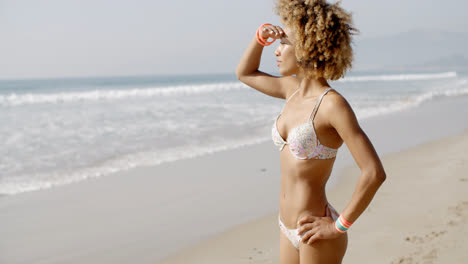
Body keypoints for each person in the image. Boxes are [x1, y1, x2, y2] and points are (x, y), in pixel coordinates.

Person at [235, 0, 386, 263]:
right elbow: (245, 73)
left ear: (307, 46)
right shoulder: (289, 90)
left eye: (284, 43)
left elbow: (374, 173)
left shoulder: (331, 105)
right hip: (286, 225)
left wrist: (338, 226)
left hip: (316, 230)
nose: (277, 51)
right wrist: (260, 38)